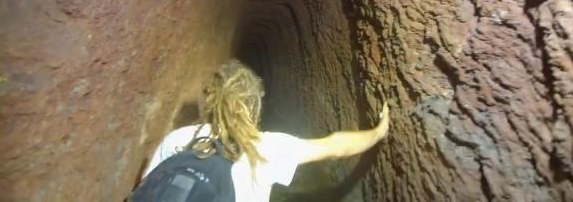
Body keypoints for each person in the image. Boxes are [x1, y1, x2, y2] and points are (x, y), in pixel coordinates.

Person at [137, 59, 390, 201]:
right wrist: (378, 132)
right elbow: (335, 146)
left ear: (212, 100)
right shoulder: (264, 149)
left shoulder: (179, 139)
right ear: (253, 106)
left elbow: (145, 186)